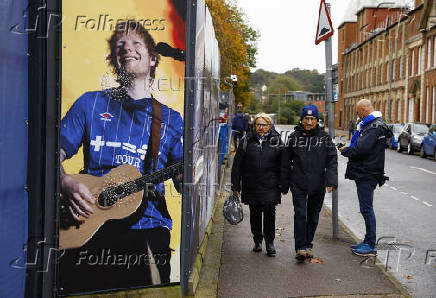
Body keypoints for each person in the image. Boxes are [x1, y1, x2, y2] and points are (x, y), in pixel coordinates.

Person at [59, 21, 183, 292]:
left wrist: (192, 175)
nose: (127, 47)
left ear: (152, 59)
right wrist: (63, 182)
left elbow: (185, 181)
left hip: (146, 230)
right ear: (114, 59)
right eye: (120, 45)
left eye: (136, 43)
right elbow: (50, 154)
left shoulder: (171, 120)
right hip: (87, 223)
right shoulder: (89, 103)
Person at [338, 99, 391, 257]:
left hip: (367, 173)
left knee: (366, 209)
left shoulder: (373, 127)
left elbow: (361, 150)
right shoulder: (374, 125)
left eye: (357, 112)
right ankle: (368, 240)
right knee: (365, 208)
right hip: (368, 172)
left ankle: (370, 245)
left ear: (363, 110)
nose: (357, 115)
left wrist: (345, 150)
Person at [285, 105, 338, 262]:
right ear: (301, 119)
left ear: (317, 121)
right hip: (298, 182)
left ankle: (308, 245)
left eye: (312, 119)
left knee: (313, 216)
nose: (309, 122)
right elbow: (285, 162)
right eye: (306, 119)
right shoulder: (293, 137)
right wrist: (284, 183)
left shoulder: (325, 138)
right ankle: (300, 248)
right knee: (300, 214)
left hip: (318, 183)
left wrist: (331, 181)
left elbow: (332, 160)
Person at [231, 113, 288, 256]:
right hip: (252, 184)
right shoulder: (246, 141)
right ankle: (257, 240)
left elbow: (284, 165)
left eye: (264, 125)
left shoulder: (276, 141)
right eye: (258, 124)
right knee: (255, 214)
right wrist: (235, 186)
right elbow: (237, 165)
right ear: (254, 125)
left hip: (271, 184)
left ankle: (270, 243)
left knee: (270, 213)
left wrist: (284, 184)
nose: (261, 127)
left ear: (269, 126)